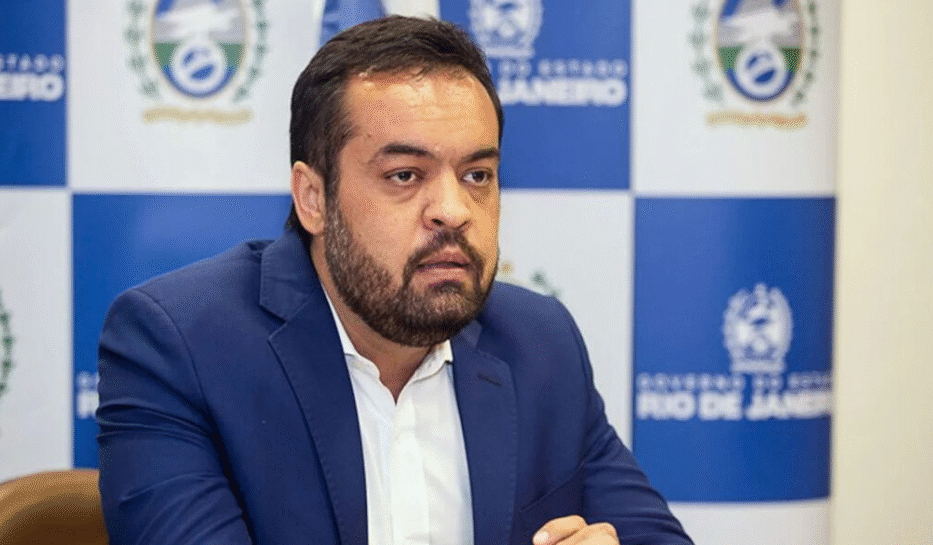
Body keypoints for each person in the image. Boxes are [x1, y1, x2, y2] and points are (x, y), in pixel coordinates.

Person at [97, 15, 692, 545]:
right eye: (406, 175)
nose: (453, 210)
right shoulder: (181, 347)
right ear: (313, 197)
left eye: (477, 175)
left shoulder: (540, 344)